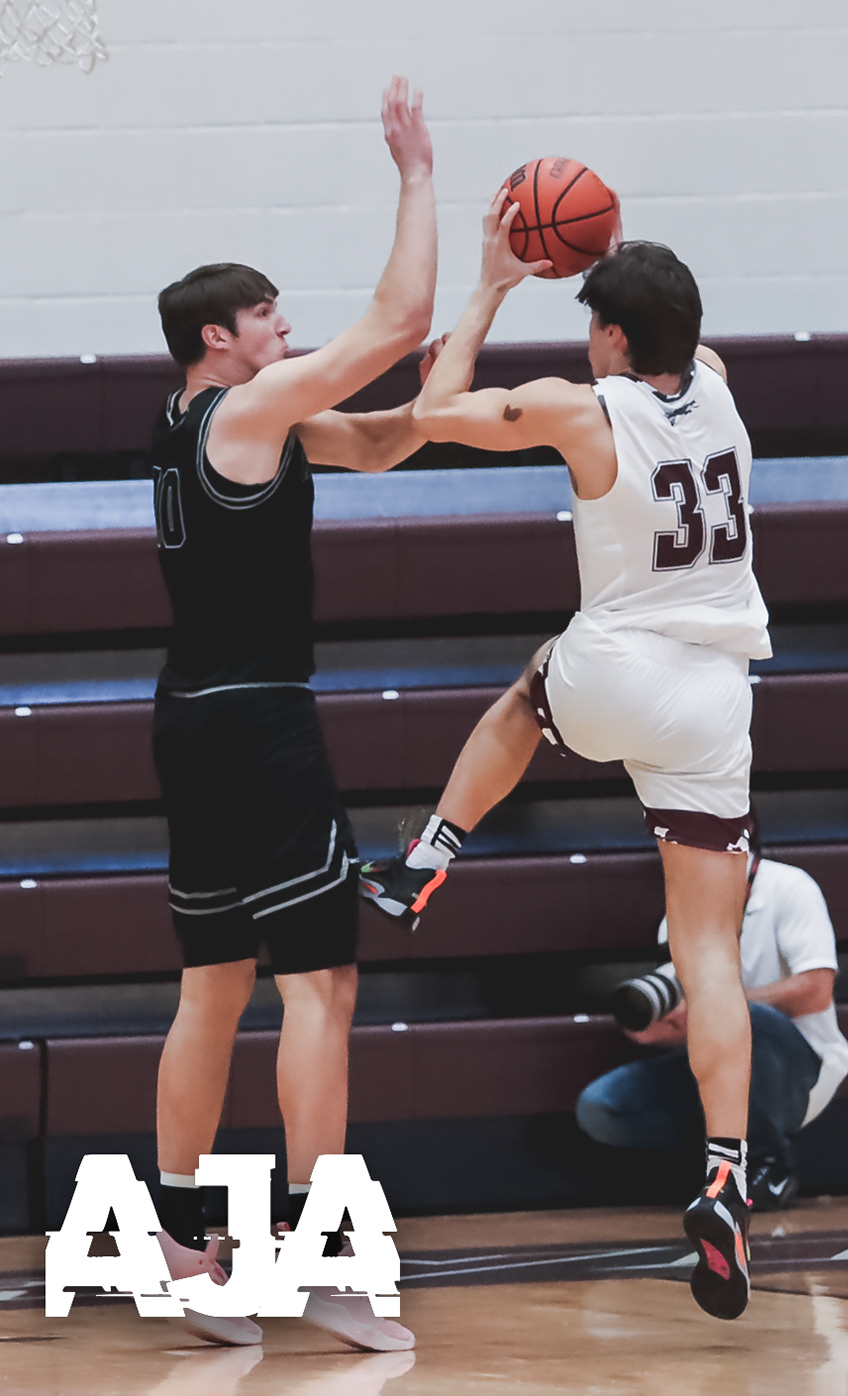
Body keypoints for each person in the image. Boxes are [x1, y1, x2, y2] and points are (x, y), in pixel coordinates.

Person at [359, 193, 771, 1320]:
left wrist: (496, 282)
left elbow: (433, 412)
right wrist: (622, 265)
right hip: (716, 699)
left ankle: (427, 860)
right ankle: (726, 1172)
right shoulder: (721, 387)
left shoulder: (578, 410)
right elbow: (680, 343)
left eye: (596, 320)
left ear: (614, 337)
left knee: (524, 699)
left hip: (619, 666)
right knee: (710, 952)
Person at [150, 77, 435, 1350]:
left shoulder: (211, 425)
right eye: (266, 315)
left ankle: (181, 1243)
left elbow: (385, 440)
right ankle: (317, 1258)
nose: (284, 326)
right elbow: (395, 321)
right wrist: (417, 176)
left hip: (189, 718)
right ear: (217, 339)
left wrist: (489, 293)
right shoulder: (246, 408)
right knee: (321, 987)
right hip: (261, 724)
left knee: (213, 985)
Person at [577, 843, 848, 1210]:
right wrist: (661, 1030)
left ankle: (771, 1168)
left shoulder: (789, 885)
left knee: (741, 1016)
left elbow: (816, 991)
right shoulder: (679, 913)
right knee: (601, 1107)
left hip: (799, 1068)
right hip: (718, 1069)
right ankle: (719, 1161)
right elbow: (693, 1019)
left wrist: (722, 1005)